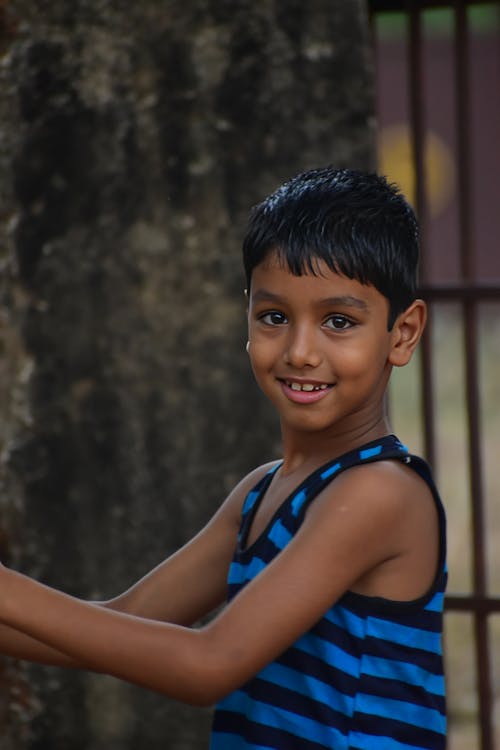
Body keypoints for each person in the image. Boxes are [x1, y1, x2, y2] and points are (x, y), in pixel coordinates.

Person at [0, 167, 447, 749]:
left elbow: (211, 665)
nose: (300, 350)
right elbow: (129, 617)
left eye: (339, 322)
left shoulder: (381, 492)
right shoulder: (263, 493)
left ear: (402, 333)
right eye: (274, 317)